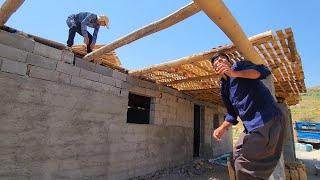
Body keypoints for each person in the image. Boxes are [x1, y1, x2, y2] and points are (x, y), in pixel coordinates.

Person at [210, 52, 286, 180]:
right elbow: (232, 114)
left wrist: (234, 73)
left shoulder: (240, 66)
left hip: (267, 120)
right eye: (216, 60)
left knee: (244, 164)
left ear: (229, 63)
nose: (220, 60)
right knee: (236, 155)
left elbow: (262, 71)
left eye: (223, 58)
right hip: (251, 127)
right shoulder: (224, 88)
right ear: (215, 69)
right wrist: (222, 128)